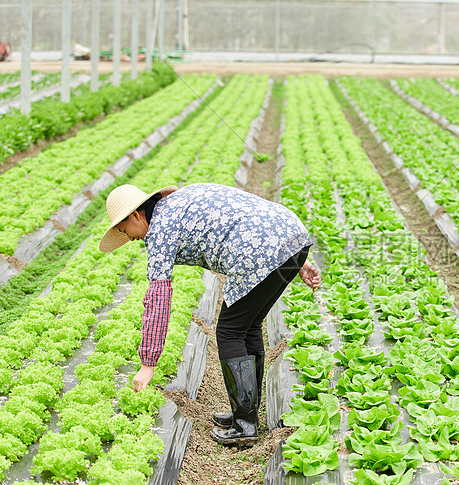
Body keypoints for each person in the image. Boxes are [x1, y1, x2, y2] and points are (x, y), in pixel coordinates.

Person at [99, 183, 321, 445]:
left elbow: (158, 298)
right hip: (291, 235)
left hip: (259, 252)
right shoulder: (180, 201)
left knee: (230, 332)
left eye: (125, 231)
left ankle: (245, 425)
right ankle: (245, 413)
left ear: (136, 215)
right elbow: (249, 213)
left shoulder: (159, 229)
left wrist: (148, 364)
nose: (130, 238)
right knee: (248, 326)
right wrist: (296, 258)